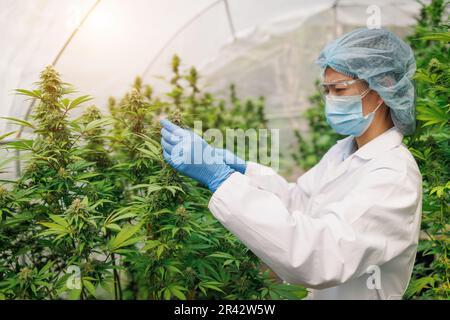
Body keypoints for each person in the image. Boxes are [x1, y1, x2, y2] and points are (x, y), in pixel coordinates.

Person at [160, 28, 422, 300]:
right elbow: (299, 203)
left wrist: (221, 179)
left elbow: (320, 256)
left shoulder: (393, 176)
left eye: (340, 89)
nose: (330, 100)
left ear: (382, 89)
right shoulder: (343, 151)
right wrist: (243, 171)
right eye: (326, 90)